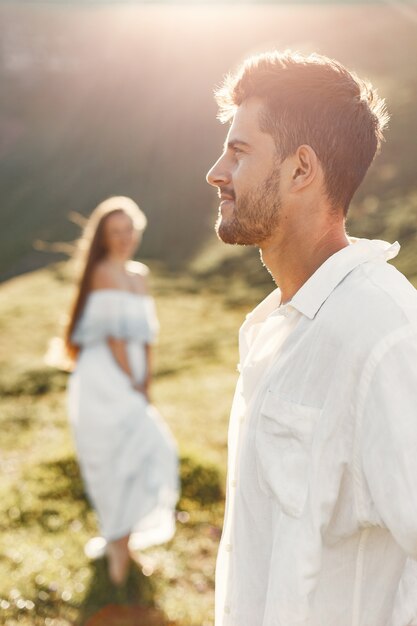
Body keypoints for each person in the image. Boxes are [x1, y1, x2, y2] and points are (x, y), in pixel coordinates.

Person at [206, 51, 417, 626]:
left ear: (302, 169)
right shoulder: (275, 326)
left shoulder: (384, 336)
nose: (216, 171)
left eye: (239, 150)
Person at [65, 196, 179, 586]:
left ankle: (125, 543)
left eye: (128, 229)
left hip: (133, 378)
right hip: (105, 378)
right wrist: (134, 381)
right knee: (114, 460)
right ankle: (118, 549)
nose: (123, 238)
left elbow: (147, 335)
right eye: (115, 232)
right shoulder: (102, 271)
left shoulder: (140, 274)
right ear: (103, 237)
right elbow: (114, 336)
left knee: (142, 454)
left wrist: (147, 380)